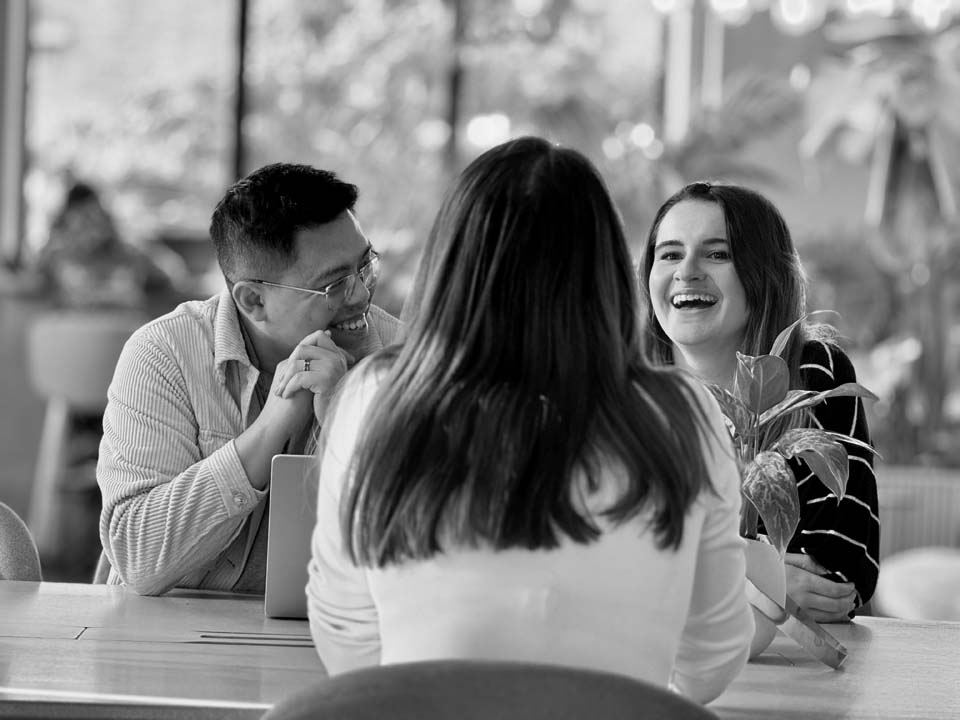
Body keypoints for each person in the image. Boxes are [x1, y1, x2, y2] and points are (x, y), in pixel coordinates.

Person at [307, 137, 753, 704]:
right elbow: (712, 657)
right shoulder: (683, 414)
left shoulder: (376, 397)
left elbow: (347, 641)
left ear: (451, 265)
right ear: (608, 271)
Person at [97, 163, 401, 595]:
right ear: (254, 300)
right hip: (164, 638)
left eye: (364, 266)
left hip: (323, 639)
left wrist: (342, 422)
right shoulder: (164, 355)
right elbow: (138, 557)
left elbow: (422, 550)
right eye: (334, 285)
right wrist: (272, 425)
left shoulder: (397, 356)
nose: (361, 295)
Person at [639, 181, 880, 622]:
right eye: (670, 253)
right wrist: (756, 580)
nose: (687, 271)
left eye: (717, 254)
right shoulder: (620, 382)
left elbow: (840, 573)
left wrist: (681, 578)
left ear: (761, 272)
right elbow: (592, 565)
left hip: (790, 672)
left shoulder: (814, 368)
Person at [1, 180, 182, 309]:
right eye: (79, 223)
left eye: (93, 219)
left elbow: (170, 280)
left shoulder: (131, 254)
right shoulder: (54, 256)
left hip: (124, 340)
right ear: (65, 225)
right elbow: (29, 287)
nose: (88, 231)